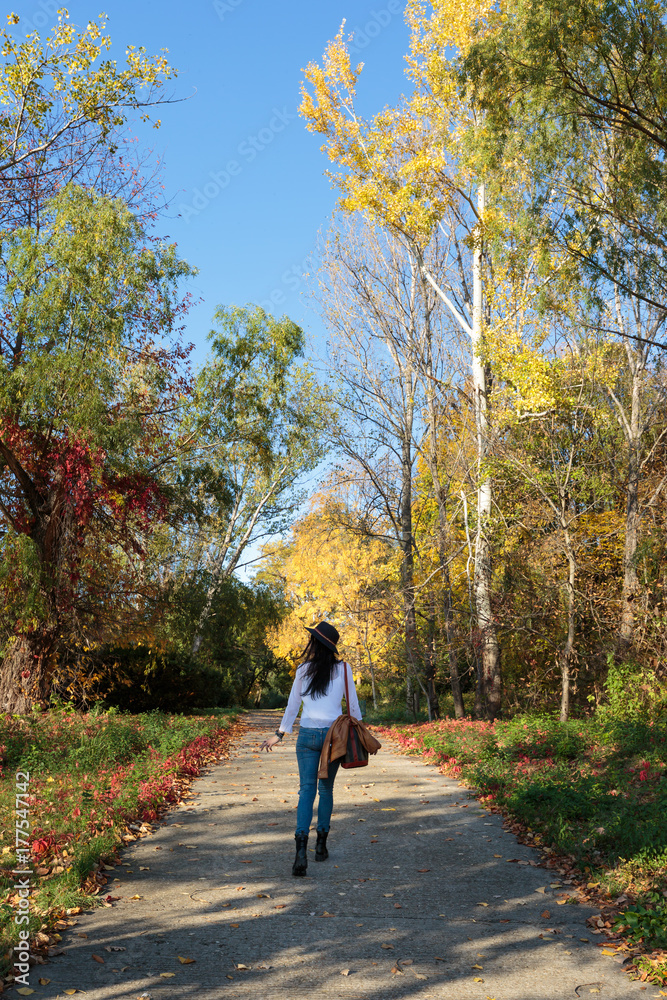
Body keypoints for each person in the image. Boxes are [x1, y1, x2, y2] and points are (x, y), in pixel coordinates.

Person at [260, 621, 362, 877]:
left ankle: (300, 852)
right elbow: (354, 709)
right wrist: (359, 733)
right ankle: (321, 846)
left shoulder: (303, 669)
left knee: (306, 790)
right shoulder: (344, 669)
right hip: (334, 738)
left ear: (315, 643)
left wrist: (279, 734)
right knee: (326, 789)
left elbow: (292, 706)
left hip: (306, 735)